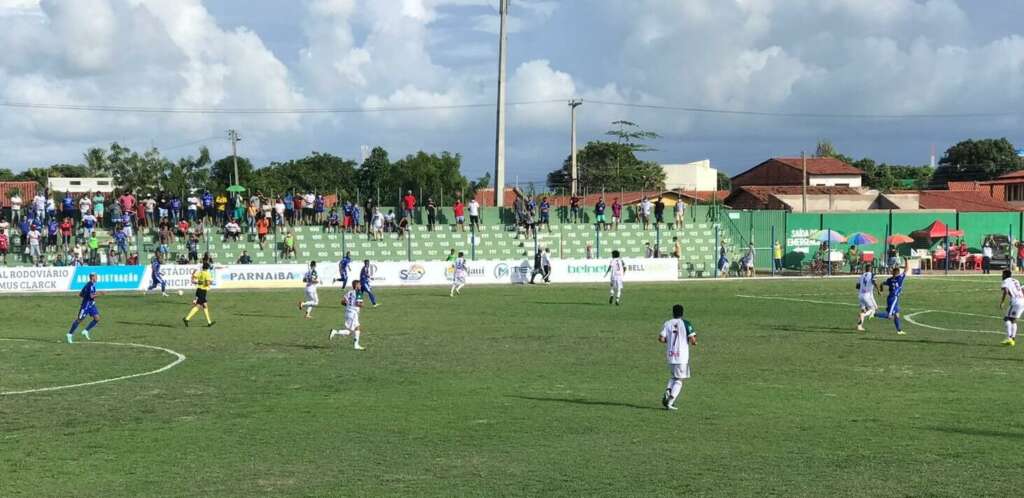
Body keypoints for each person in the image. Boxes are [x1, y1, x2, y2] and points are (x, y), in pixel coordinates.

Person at [658, 304, 697, 411]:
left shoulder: (667, 323)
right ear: (682, 313)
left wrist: (669, 341)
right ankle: (670, 401)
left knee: (674, 376)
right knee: (680, 379)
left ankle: (668, 389)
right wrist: (694, 342)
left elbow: (661, 339)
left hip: (671, 356)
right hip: (682, 357)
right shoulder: (686, 323)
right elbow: (693, 340)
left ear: (673, 313)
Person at [329, 280, 366, 350]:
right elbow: (358, 304)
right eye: (359, 285)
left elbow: (342, 302)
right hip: (353, 313)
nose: (360, 286)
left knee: (357, 328)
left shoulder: (349, 292)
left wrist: (349, 305)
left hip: (348, 312)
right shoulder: (359, 293)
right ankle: (335, 332)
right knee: (350, 331)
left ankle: (356, 344)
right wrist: (362, 305)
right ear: (356, 285)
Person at [66, 273, 100, 343]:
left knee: (97, 318)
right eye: (96, 277)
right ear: (92, 277)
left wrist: (86, 297)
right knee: (79, 320)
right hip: (86, 306)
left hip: (91, 305)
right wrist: (100, 293)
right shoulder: (89, 285)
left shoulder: (91, 285)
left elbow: (80, 294)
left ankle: (85, 331)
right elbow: (91, 296)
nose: (97, 278)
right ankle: (69, 334)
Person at [873, 266, 908, 335]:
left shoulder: (890, 279)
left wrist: (881, 290)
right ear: (898, 273)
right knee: (890, 316)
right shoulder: (900, 278)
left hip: (891, 298)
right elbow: (907, 269)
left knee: (897, 315)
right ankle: (874, 314)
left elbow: (882, 283)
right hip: (894, 298)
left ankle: (899, 330)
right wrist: (906, 260)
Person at [183, 263, 214, 327]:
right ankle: (187, 319)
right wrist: (210, 282)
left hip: (198, 290)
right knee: (199, 306)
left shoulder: (200, 272)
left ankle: (209, 322)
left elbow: (193, 280)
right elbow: (207, 284)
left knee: (203, 306)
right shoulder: (207, 274)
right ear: (207, 268)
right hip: (203, 291)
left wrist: (198, 281)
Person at [1000, 269, 1023, 346]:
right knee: (1013, 320)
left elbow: (1006, 291)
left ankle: (1009, 338)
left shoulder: (1006, 281)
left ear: (1005, 275)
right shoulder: (1016, 280)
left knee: (1007, 319)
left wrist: (1002, 302)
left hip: (1015, 301)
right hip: (1022, 301)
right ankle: (1012, 339)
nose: (1002, 276)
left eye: (1003, 275)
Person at [856, 265, 881, 331]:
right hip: (867, 295)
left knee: (863, 310)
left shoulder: (862, 275)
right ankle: (864, 315)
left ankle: (859, 326)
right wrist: (878, 290)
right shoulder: (873, 275)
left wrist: (863, 287)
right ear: (871, 269)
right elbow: (874, 282)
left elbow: (857, 286)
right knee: (873, 309)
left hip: (860, 295)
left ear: (865, 269)